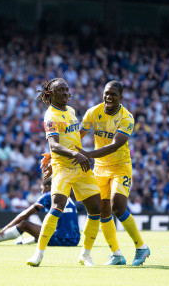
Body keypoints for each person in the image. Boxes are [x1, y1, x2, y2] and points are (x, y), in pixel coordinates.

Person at [44, 80, 150, 266]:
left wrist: (87, 154)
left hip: (120, 166)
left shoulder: (127, 118)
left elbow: (115, 145)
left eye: (113, 95)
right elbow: (76, 136)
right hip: (100, 168)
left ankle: (141, 247)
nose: (109, 97)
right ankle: (116, 255)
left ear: (120, 98)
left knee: (118, 206)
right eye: (106, 93)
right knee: (103, 211)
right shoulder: (93, 112)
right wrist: (55, 158)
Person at [26, 78, 101, 267]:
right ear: (51, 94)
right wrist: (74, 154)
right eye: (62, 90)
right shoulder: (51, 116)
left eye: (67, 89)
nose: (67, 93)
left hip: (81, 167)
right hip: (63, 168)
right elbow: (53, 145)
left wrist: (81, 151)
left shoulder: (71, 111)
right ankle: (38, 254)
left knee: (95, 210)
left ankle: (85, 255)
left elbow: (73, 135)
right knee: (57, 207)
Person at [0, 177, 80, 247]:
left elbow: (25, 214)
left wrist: (6, 227)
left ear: (48, 187)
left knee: (24, 224)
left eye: (42, 189)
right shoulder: (67, 197)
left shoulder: (49, 196)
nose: (42, 192)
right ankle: (23, 242)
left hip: (62, 239)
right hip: (75, 239)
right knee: (46, 226)